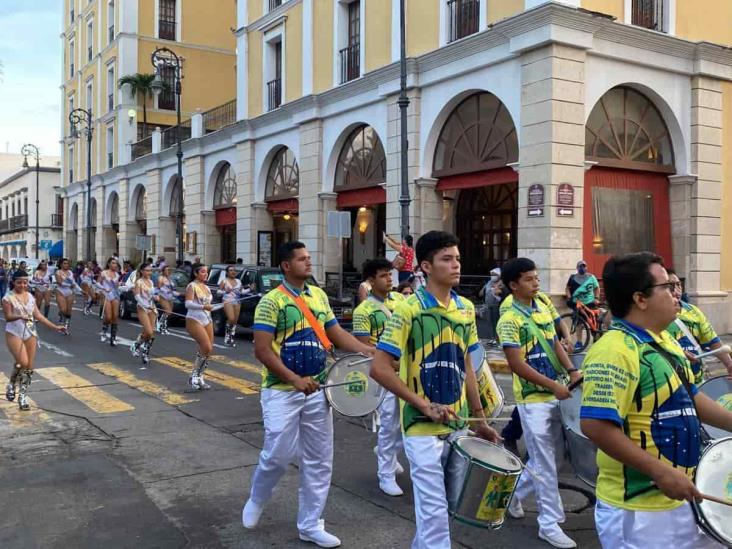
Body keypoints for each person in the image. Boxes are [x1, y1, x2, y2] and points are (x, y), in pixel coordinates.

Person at [580, 252, 732, 548]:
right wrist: (659, 471)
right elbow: (595, 425)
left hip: (680, 495)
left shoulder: (664, 340)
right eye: (667, 287)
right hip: (638, 510)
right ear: (640, 298)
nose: (677, 294)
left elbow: (691, 397)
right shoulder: (613, 350)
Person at [370, 231, 500, 549]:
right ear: (426, 267)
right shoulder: (408, 309)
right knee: (435, 514)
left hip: (458, 423)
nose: (456, 265)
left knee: (440, 510)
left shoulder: (466, 308)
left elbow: (468, 366)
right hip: (420, 426)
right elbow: (379, 368)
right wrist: (423, 404)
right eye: (447, 259)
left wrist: (480, 418)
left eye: (457, 258)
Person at [242, 241, 373, 548]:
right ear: (286, 266)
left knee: (319, 459)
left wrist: (367, 350)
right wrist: (294, 379)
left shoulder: (318, 295)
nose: (308, 263)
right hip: (281, 391)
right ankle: (258, 497)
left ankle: (311, 524)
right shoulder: (271, 302)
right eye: (302, 259)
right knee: (278, 453)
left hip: (318, 389)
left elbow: (335, 333)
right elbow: (261, 350)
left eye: (309, 258)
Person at [497, 257, 581, 549]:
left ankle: (513, 495)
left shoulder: (542, 306)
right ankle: (549, 523)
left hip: (556, 392)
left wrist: (571, 371)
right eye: (530, 279)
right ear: (513, 285)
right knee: (545, 463)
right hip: (532, 400)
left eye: (536, 277)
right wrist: (553, 386)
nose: (536, 283)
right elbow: (516, 365)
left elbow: (555, 342)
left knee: (555, 459)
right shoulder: (508, 318)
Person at [352, 258, 407, 497]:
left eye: (390, 274)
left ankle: (388, 452)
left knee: (412, 422)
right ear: (371, 280)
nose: (389, 279)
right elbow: (364, 349)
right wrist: (390, 364)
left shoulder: (401, 300)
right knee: (389, 423)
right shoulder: (363, 311)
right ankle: (385, 474)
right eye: (384, 275)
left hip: (407, 370)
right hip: (385, 374)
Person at [3, 270, 65, 410]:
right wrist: (20, 316)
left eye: (25, 282)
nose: (23, 285)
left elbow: (38, 316)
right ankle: (12, 383)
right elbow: (7, 317)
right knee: (22, 362)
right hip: (14, 332)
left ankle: (23, 396)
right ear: (14, 282)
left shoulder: (30, 296)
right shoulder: (8, 297)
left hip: (30, 332)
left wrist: (55, 327)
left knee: (29, 366)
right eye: (19, 282)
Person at [665, 269, 732, 382]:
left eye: (678, 284)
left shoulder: (693, 312)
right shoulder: (655, 315)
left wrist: (729, 364)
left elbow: (713, 341)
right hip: (673, 383)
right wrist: (677, 353)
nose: (676, 289)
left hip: (698, 382)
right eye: (670, 286)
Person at [185, 264, 215, 390]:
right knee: (206, 346)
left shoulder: (207, 288)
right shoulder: (192, 286)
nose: (205, 274)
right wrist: (203, 307)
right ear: (196, 273)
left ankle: (200, 376)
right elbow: (188, 303)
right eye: (203, 272)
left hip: (207, 319)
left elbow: (209, 305)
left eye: (206, 272)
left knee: (209, 350)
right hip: (194, 319)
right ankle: (194, 375)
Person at [130, 263, 159, 364]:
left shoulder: (151, 282)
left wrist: (155, 297)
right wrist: (146, 305)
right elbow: (137, 296)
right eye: (147, 270)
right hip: (142, 307)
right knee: (149, 332)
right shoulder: (139, 282)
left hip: (152, 307)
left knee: (150, 333)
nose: (149, 272)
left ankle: (145, 353)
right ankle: (137, 344)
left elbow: (151, 295)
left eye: (150, 270)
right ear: (142, 271)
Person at [218, 265, 250, 347]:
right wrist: (225, 291)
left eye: (234, 270)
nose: (233, 272)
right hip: (227, 301)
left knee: (235, 321)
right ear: (227, 272)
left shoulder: (238, 281)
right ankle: (227, 338)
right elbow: (218, 292)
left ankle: (231, 338)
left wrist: (250, 289)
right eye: (231, 270)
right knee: (231, 318)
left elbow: (242, 292)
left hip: (237, 301)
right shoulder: (224, 281)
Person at [99, 257, 122, 346]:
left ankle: (113, 338)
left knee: (115, 316)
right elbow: (98, 283)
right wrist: (103, 289)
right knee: (108, 317)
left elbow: (116, 286)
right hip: (106, 295)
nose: (114, 265)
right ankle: (104, 330)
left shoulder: (117, 275)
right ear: (109, 264)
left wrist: (119, 285)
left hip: (115, 295)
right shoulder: (104, 273)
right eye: (113, 263)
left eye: (116, 263)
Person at [478, 267, 503, 345]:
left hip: (496, 305)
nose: (492, 276)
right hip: (488, 305)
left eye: (494, 274)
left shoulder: (501, 283)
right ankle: (492, 339)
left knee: (497, 323)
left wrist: (496, 290)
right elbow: (481, 293)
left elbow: (501, 293)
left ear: (499, 275)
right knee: (490, 323)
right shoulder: (489, 283)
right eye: (491, 274)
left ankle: (498, 339)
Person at [54, 258, 79, 332]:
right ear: (61, 264)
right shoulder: (58, 272)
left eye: (67, 263)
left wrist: (81, 291)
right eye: (64, 263)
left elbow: (74, 283)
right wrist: (69, 285)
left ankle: (66, 326)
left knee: (68, 311)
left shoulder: (70, 272)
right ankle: (61, 321)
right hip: (60, 291)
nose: (66, 265)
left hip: (69, 292)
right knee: (63, 310)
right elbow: (59, 282)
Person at [156, 265, 178, 335]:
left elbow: (172, 288)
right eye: (166, 270)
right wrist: (165, 290)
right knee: (167, 311)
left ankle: (161, 325)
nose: (168, 271)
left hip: (170, 297)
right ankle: (162, 326)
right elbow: (159, 287)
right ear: (163, 271)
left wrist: (174, 292)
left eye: (169, 270)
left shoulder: (170, 278)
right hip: (163, 296)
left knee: (169, 312)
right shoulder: (161, 278)